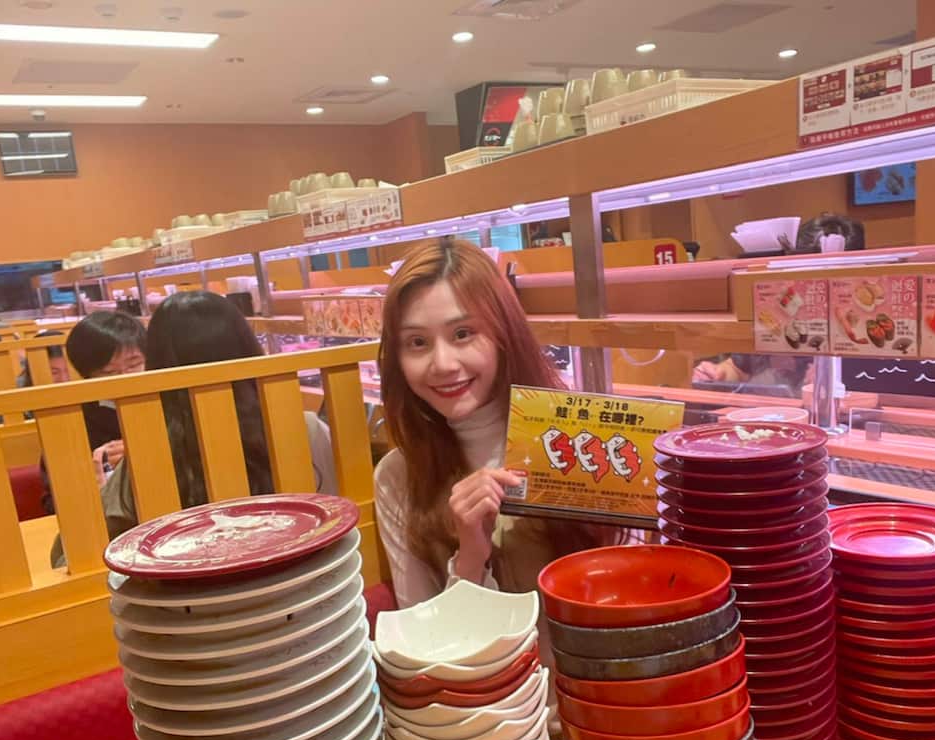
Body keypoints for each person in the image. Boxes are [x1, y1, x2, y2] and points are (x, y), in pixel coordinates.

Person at [374, 238, 617, 611]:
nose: (443, 364)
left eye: (462, 334)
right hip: (477, 668)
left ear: (503, 333)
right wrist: (471, 554)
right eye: (417, 342)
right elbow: (421, 633)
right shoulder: (397, 477)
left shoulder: (578, 440)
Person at [98, 291, 337, 542]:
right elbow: (338, 513)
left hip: (188, 579)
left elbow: (104, 542)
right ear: (248, 349)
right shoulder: (304, 428)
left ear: (157, 365)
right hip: (311, 569)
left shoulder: (147, 450)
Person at [39, 312, 148, 516]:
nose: (126, 378)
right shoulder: (69, 422)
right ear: (87, 375)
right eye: (109, 372)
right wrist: (94, 480)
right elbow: (53, 502)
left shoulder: (167, 404)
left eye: (134, 365)